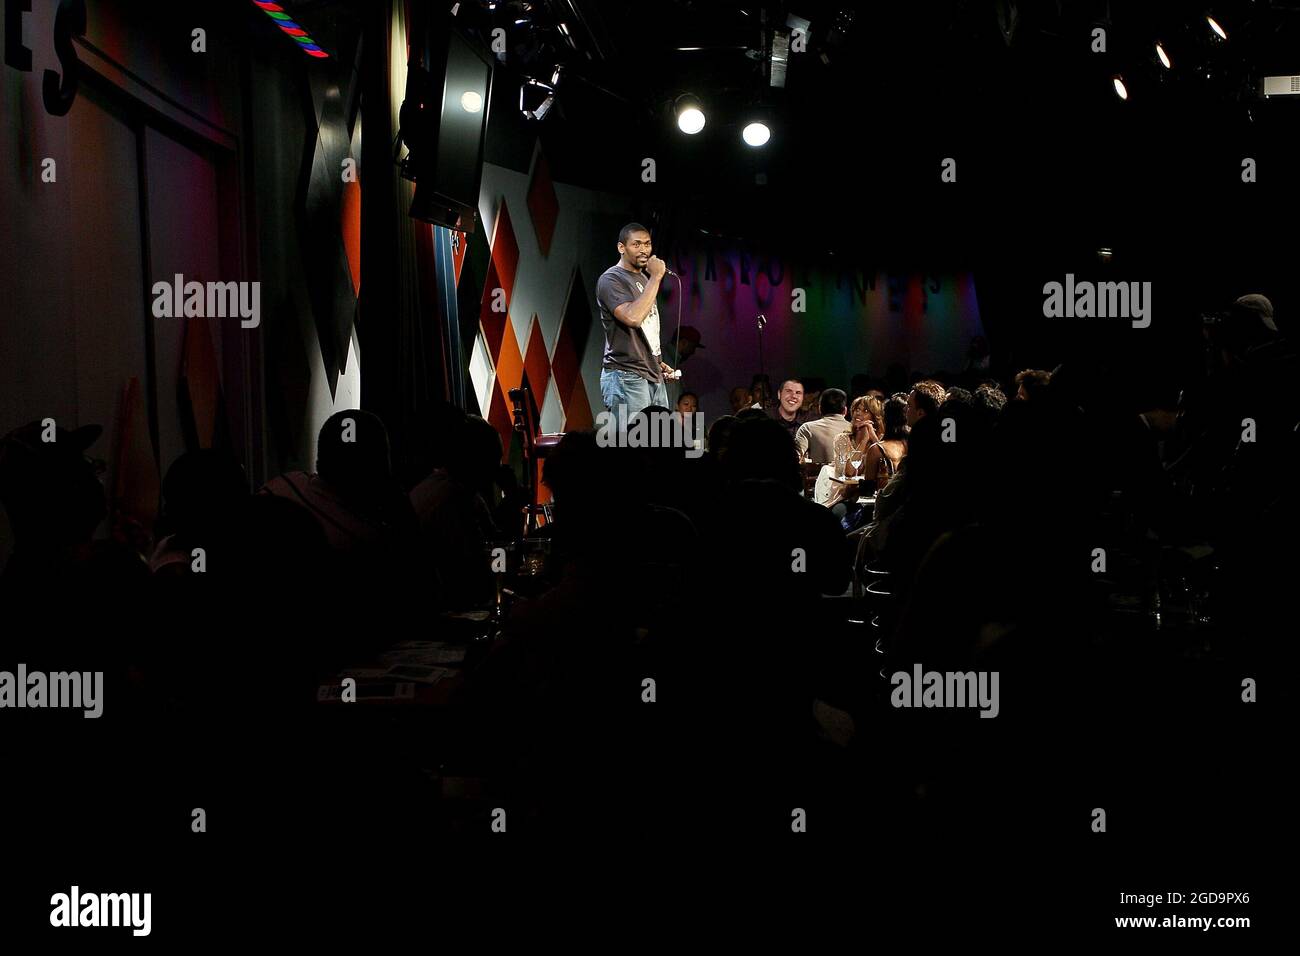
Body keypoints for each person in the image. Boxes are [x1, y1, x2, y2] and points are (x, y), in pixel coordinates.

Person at [596, 223, 675, 424]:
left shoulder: (643, 278)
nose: (644, 250)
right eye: (637, 244)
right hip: (626, 375)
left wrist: (656, 361)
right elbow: (633, 318)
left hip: (650, 372)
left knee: (659, 443)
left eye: (647, 244)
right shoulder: (611, 279)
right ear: (621, 248)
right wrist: (656, 276)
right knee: (631, 447)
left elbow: (647, 327)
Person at [794, 388, 851, 464]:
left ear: (820, 408)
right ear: (845, 410)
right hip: (851, 475)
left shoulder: (807, 428)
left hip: (817, 475)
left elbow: (794, 457)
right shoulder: (856, 429)